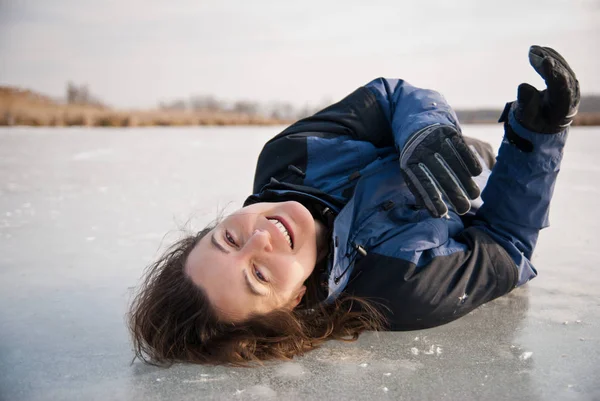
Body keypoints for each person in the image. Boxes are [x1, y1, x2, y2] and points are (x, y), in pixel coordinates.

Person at [128, 46, 580, 365]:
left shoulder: (289, 156)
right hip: (486, 183)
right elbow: (506, 245)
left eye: (227, 238)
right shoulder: (401, 289)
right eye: (259, 275)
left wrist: (422, 132)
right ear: (295, 300)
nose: (260, 237)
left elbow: (388, 99)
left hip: (451, 145)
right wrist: (535, 137)